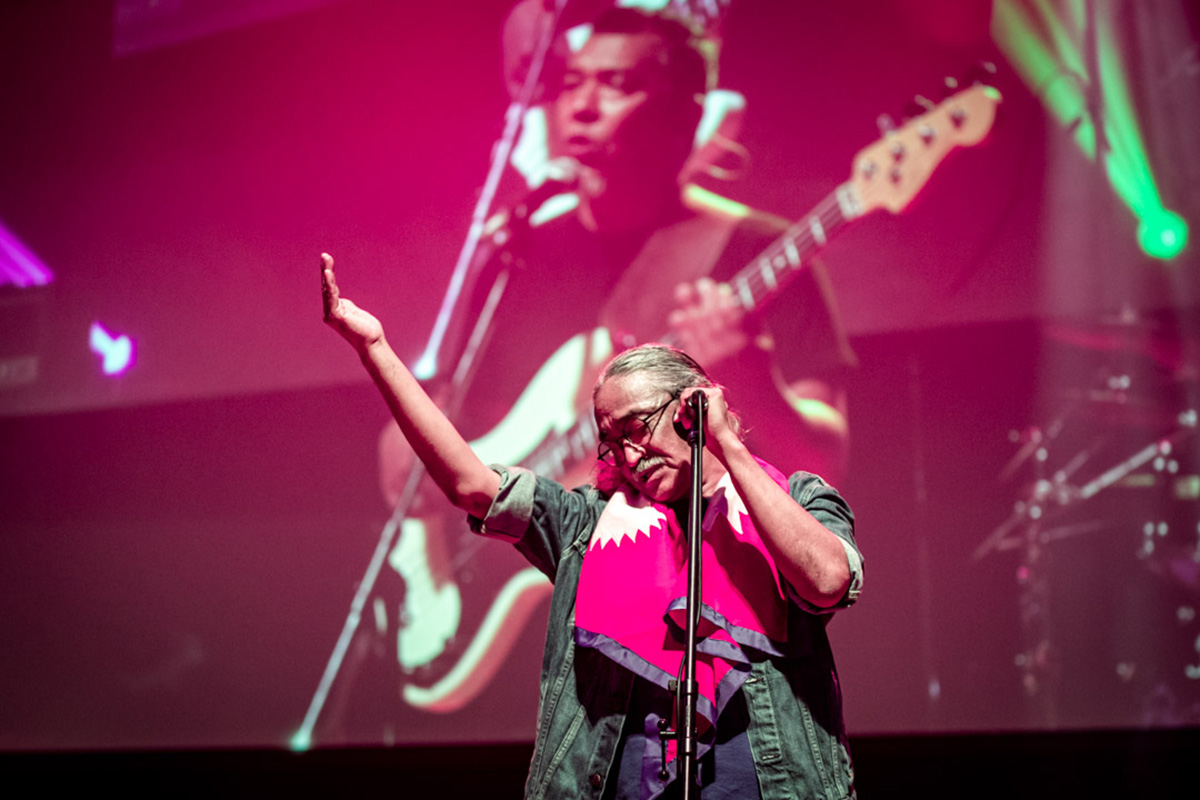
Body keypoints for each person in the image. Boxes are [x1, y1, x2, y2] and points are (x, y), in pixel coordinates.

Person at [376, 6, 857, 712]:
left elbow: (827, 461)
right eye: (572, 82)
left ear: (683, 112)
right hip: (524, 631)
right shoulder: (518, 257)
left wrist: (753, 377)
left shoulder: (750, 248)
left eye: (616, 84)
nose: (583, 105)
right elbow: (422, 460)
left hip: (679, 634)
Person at [322, 253, 862, 799]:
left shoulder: (799, 499)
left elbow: (826, 582)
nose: (627, 452)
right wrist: (375, 349)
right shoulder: (588, 523)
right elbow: (469, 483)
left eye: (637, 427)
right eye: (611, 438)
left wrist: (726, 446)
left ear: (693, 409)